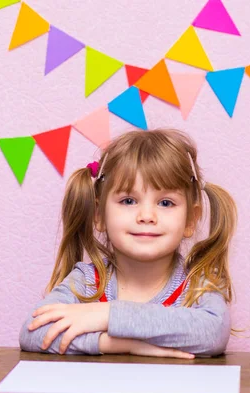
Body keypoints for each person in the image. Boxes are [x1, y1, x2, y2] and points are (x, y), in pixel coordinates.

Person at [19, 128, 237, 359]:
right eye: (129, 200)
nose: (146, 215)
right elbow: (32, 331)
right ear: (99, 215)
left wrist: (107, 315)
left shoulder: (198, 285)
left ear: (191, 219)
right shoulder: (86, 282)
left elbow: (214, 333)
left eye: (165, 203)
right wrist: (115, 343)